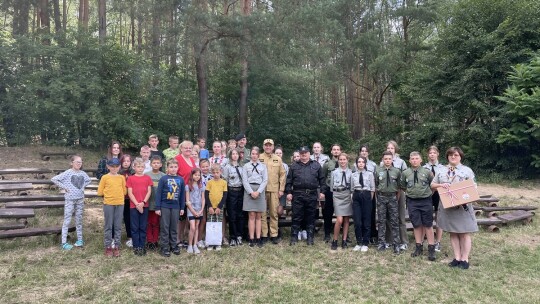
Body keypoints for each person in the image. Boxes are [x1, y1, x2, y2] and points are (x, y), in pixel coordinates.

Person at [431, 147, 478, 270]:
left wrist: (464, 197)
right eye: (451, 155)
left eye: (456, 155)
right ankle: (457, 257)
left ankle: (465, 259)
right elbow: (432, 184)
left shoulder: (467, 171)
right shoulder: (441, 170)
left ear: (460, 156)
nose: (453, 157)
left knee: (464, 233)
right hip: (448, 206)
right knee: (453, 232)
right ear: (447, 157)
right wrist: (441, 185)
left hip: (463, 207)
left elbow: (474, 188)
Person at [286, 146, 326, 246]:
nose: (304, 155)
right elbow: (289, 181)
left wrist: (322, 192)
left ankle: (310, 238)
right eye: (302, 153)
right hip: (298, 194)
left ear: (309, 153)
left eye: (305, 153)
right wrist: (289, 192)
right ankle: (294, 237)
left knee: (310, 217)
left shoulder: (316, 165)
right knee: (296, 216)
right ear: (299, 154)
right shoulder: (294, 166)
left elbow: (322, 180)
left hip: (311, 194)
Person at [400, 152, 436, 261]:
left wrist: (427, 194)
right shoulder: (405, 173)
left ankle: (431, 248)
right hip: (412, 201)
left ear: (421, 160)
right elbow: (403, 186)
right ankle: (418, 247)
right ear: (409, 161)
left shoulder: (427, 172)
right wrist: (412, 194)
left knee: (428, 225)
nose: (414, 160)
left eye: (416, 158)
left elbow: (433, 185)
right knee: (416, 224)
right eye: (412, 159)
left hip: (426, 201)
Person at [51, 155, 91, 250]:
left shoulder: (83, 173)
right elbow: (54, 179)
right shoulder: (68, 173)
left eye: (80, 162)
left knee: (79, 220)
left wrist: (82, 186)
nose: (79, 164)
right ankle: (64, 242)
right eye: (77, 162)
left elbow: (88, 180)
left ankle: (80, 240)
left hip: (80, 199)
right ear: (71, 163)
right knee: (67, 220)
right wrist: (64, 187)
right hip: (70, 200)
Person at [155, 159, 186, 257]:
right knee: (165, 227)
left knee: (174, 227)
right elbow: (159, 194)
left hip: (176, 207)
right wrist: (158, 207)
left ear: (178, 168)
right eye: (171, 167)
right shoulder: (163, 179)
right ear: (167, 168)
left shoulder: (181, 180)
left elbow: (182, 195)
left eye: (175, 167)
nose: (173, 169)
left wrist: (182, 208)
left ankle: (173, 245)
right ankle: (164, 246)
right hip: (165, 206)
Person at [97, 158, 126, 257]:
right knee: (108, 226)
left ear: (119, 167)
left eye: (116, 166)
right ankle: (108, 246)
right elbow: (100, 192)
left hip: (120, 203)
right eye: (112, 166)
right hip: (108, 203)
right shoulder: (104, 177)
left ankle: (116, 246)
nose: (114, 168)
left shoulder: (122, 177)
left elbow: (124, 191)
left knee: (118, 226)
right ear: (108, 166)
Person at [382, 140, 409, 250]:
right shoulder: (382, 162)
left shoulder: (401, 162)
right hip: (387, 193)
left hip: (399, 191)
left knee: (400, 217)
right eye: (388, 148)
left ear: (395, 149)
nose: (390, 150)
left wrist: (401, 189)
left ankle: (404, 241)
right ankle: (389, 240)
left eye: (392, 148)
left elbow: (405, 176)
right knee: (388, 216)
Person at [259, 139, 286, 244]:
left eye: (270, 146)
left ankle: (274, 234)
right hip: (262, 190)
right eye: (266, 145)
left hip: (274, 190)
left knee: (274, 213)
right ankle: (264, 234)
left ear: (273, 147)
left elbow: (282, 175)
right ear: (263, 146)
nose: (268, 147)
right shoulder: (259, 157)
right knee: (262, 214)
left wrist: (281, 189)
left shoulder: (278, 159)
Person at [375, 151, 401, 254]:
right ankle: (381, 242)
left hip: (392, 198)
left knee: (394, 221)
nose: (387, 161)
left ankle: (396, 244)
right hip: (381, 197)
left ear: (392, 159)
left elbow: (399, 187)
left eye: (389, 159)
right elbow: (376, 185)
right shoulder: (378, 171)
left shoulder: (397, 171)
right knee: (381, 221)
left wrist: (395, 198)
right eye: (385, 159)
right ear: (383, 159)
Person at [242, 147, 268, 247]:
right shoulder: (246, 166)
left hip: (260, 190)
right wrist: (251, 192)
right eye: (252, 154)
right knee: (251, 215)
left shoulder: (263, 166)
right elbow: (244, 180)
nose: (254, 156)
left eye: (256, 154)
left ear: (258, 155)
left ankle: (258, 237)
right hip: (249, 190)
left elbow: (265, 180)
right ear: (250, 155)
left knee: (258, 216)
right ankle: (251, 238)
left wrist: (258, 191)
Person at [126, 158, 153, 256]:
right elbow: (130, 192)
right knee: (135, 227)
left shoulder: (147, 178)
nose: (140, 168)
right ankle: (136, 246)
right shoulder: (130, 178)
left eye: (142, 167)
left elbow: (149, 191)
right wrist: (137, 204)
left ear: (144, 167)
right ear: (134, 167)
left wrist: (143, 202)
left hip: (144, 206)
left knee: (143, 226)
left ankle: (142, 246)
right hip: (134, 206)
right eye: (138, 166)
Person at [174, 141, 197, 248]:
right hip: (180, 191)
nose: (188, 149)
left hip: (190, 192)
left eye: (190, 148)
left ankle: (182, 238)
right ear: (181, 148)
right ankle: (177, 239)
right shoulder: (177, 159)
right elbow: (172, 174)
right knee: (180, 216)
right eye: (185, 148)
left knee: (185, 217)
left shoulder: (192, 159)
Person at [350, 156, 375, 252]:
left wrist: (369, 199)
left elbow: (372, 189)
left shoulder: (370, 174)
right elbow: (352, 189)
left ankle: (365, 242)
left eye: (362, 162)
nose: (360, 163)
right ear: (356, 164)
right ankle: (359, 241)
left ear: (365, 164)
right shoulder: (353, 175)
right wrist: (354, 198)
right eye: (359, 162)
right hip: (356, 196)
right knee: (357, 221)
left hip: (367, 196)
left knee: (366, 220)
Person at [423, 145, 445, 252]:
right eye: (430, 153)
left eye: (434, 153)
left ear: (437, 154)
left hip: (439, 194)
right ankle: (425, 239)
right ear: (428, 155)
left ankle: (438, 241)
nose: (432, 155)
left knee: (439, 217)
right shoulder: (423, 167)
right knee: (427, 217)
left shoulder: (442, 168)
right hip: (427, 194)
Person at [329, 153, 353, 250]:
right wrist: (335, 195)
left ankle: (344, 240)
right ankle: (335, 240)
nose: (342, 161)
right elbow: (331, 187)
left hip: (347, 195)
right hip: (338, 195)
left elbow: (352, 186)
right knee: (339, 220)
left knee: (346, 219)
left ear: (347, 160)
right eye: (340, 159)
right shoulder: (334, 172)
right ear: (338, 160)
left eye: (344, 159)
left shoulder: (351, 172)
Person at [223, 148, 245, 246]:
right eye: (233, 154)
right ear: (230, 156)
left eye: (237, 154)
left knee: (240, 215)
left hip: (240, 191)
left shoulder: (242, 167)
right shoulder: (227, 167)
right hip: (231, 191)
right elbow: (225, 181)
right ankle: (233, 236)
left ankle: (239, 235)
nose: (235, 155)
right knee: (232, 215)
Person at [321, 144, 343, 242]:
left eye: (338, 149)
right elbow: (323, 177)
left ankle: (343, 233)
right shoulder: (327, 164)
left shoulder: (344, 163)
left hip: (341, 191)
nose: (336, 151)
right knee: (328, 213)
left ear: (340, 151)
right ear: (331, 152)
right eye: (334, 149)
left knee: (342, 213)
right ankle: (327, 233)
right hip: (330, 191)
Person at [205, 164, 228, 250]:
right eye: (214, 172)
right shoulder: (209, 182)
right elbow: (206, 195)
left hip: (219, 207)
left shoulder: (224, 182)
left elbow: (225, 196)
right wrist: (210, 207)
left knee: (218, 223)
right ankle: (210, 243)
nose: (215, 174)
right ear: (211, 173)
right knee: (211, 223)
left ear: (220, 172)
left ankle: (218, 242)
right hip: (211, 207)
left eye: (217, 172)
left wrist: (219, 207)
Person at [358, 145, 378, 244]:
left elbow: (375, 180)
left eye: (366, 151)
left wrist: (373, 194)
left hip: (370, 193)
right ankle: (361, 234)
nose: (364, 152)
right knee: (361, 214)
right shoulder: (355, 165)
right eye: (362, 151)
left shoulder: (373, 165)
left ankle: (372, 235)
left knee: (371, 214)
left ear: (368, 153)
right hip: (359, 193)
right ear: (360, 152)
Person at [145, 155, 166, 251]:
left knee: (156, 223)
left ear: (161, 164)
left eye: (158, 163)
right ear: (150, 164)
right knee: (149, 222)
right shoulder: (147, 175)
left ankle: (155, 240)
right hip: (149, 202)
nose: (156, 164)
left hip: (159, 204)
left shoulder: (163, 176)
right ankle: (149, 240)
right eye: (154, 163)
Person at [186, 168, 205, 254]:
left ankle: (195, 245)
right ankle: (189, 245)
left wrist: (201, 210)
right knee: (192, 227)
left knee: (196, 227)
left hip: (199, 209)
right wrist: (193, 211)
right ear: (192, 175)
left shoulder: (201, 186)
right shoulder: (188, 186)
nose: (197, 177)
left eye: (198, 175)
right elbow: (187, 201)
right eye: (195, 175)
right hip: (191, 210)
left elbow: (203, 199)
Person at [119, 154, 135, 248]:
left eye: (128, 161)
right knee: (119, 218)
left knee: (128, 218)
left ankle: (130, 236)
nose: (126, 163)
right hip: (120, 198)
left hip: (130, 199)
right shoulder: (118, 172)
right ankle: (116, 237)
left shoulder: (133, 173)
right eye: (124, 161)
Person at [275, 147, 288, 225]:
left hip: (282, 190)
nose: (278, 154)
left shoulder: (285, 166)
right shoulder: (271, 163)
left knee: (279, 211)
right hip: (272, 189)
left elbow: (287, 179)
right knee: (272, 210)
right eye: (277, 153)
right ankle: (274, 229)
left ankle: (277, 226)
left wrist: (282, 190)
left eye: (280, 153)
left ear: (282, 154)